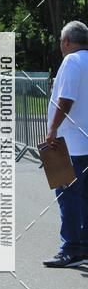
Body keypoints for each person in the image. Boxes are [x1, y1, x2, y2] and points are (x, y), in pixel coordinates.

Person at [43, 20, 88, 268]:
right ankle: (83, 244)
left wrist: (52, 129)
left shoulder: (72, 61)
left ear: (67, 41)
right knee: (83, 198)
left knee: (67, 196)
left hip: (69, 143)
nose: (61, 46)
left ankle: (70, 249)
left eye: (61, 41)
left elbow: (66, 98)